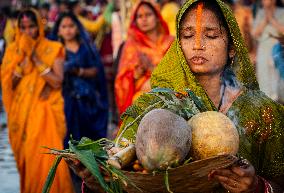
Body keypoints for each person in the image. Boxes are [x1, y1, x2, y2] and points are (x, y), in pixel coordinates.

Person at [66, 0, 284, 192]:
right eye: (188, 36)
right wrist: (97, 180)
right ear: (179, 45)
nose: (198, 45)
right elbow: (124, 176)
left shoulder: (261, 111)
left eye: (211, 35)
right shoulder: (153, 106)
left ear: (232, 48)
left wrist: (257, 187)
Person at [1, 9, 75, 193]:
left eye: (31, 26)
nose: (27, 32)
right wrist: (22, 64)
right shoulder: (12, 50)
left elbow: (57, 81)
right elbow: (8, 85)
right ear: (18, 29)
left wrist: (36, 59)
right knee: (28, 161)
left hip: (45, 114)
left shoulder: (53, 48)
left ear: (39, 27)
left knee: (46, 157)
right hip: (21, 116)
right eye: (23, 27)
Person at [50, 12, 108, 146]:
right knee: (69, 142)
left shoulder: (86, 48)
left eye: (71, 26)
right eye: (64, 26)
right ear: (58, 30)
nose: (68, 30)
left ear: (77, 28)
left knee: (89, 141)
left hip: (88, 100)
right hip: (66, 101)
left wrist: (78, 71)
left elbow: (95, 70)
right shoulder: (55, 50)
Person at [114, 0, 174, 115]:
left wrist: (151, 67)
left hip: (170, 94)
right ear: (135, 21)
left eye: (148, 15)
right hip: (141, 99)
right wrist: (135, 75)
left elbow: (177, 73)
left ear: (157, 17)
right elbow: (122, 80)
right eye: (139, 16)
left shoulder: (170, 42)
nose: (144, 19)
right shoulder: (132, 46)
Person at [252, 0, 284, 101]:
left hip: (277, 46)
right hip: (263, 48)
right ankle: (267, 102)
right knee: (263, 74)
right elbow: (254, 33)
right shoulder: (261, 12)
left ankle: (279, 101)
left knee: (277, 75)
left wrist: (271, 18)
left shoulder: (281, 11)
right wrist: (266, 18)